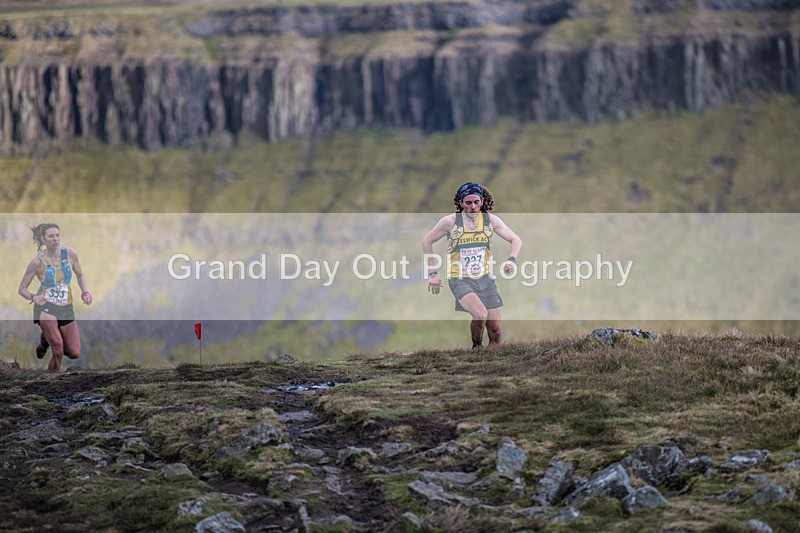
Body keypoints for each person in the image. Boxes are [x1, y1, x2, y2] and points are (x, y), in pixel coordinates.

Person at [423, 182, 522, 348]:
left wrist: (511, 260)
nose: (473, 207)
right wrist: (433, 273)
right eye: (468, 203)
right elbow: (427, 242)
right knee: (480, 314)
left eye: (476, 202)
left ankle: (493, 363)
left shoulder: (490, 220)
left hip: (485, 278)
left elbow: (515, 239)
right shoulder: (450, 222)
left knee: (496, 331)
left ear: (482, 201)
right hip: (459, 279)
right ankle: (477, 348)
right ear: (461, 203)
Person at [18, 223, 92, 372]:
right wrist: (33, 297)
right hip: (45, 306)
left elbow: (80, 274)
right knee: (57, 348)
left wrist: (85, 292)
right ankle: (52, 381)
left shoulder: (70, 254)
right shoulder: (37, 262)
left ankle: (45, 339)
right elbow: (22, 289)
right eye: (51, 236)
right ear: (43, 239)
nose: (55, 239)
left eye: (57, 235)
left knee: (74, 352)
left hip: (66, 307)